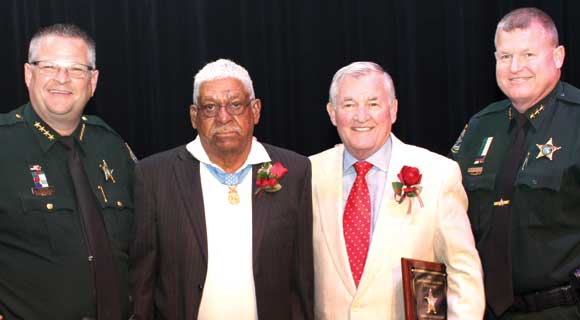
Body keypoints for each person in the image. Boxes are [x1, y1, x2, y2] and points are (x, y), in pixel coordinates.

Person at [129, 58, 313, 319]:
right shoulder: (154, 176)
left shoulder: (294, 171)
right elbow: (142, 281)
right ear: (194, 116)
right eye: (210, 107)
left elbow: (302, 276)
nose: (223, 117)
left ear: (256, 110)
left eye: (235, 105)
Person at [310, 61, 485, 320]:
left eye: (373, 104)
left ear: (393, 110)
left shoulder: (438, 174)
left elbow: (464, 274)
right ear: (332, 113)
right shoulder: (308, 174)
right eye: (348, 105)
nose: (361, 116)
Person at [450, 7, 580, 320]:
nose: (515, 67)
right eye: (505, 56)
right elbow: (448, 214)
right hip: (484, 311)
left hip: (562, 310)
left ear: (558, 56)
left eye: (528, 54)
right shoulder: (480, 127)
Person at [0, 24, 135, 319]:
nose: (62, 79)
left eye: (76, 69)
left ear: (93, 81)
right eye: (49, 66)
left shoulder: (112, 147)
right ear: (28, 74)